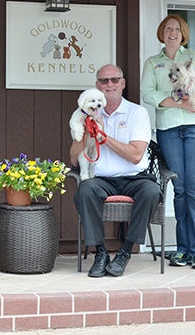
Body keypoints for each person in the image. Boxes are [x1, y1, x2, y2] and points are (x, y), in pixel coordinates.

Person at [140, 14, 195, 270]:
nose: (172, 33)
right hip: (169, 130)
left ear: (183, 34)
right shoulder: (153, 63)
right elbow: (148, 93)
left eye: (177, 29)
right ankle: (183, 250)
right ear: (162, 33)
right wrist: (179, 103)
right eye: (168, 29)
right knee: (180, 190)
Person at [72, 64, 161, 277]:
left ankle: (125, 252)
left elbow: (136, 155)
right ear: (97, 86)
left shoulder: (137, 112)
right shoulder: (87, 112)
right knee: (85, 190)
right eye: (104, 81)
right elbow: (74, 158)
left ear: (123, 83)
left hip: (134, 178)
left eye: (114, 80)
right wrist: (87, 134)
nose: (109, 84)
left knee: (151, 191)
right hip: (101, 179)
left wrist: (103, 137)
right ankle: (100, 253)